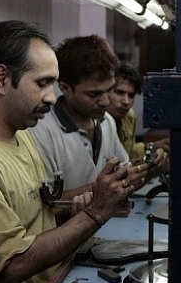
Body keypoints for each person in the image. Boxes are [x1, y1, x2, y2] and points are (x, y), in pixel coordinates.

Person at [0, 20, 147, 283]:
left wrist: (77, 208)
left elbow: (36, 218)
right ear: (2, 79)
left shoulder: (19, 136)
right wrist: (95, 212)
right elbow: (15, 264)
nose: (50, 97)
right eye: (43, 84)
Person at [29, 35, 166, 199]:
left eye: (109, 90)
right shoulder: (41, 131)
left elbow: (123, 180)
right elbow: (42, 204)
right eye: (94, 94)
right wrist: (103, 187)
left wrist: (150, 170)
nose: (105, 101)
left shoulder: (106, 122)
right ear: (65, 88)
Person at [106, 62, 170, 160]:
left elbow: (129, 152)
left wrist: (153, 147)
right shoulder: (95, 121)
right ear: (105, 91)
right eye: (119, 92)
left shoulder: (129, 116)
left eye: (131, 95)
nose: (126, 102)